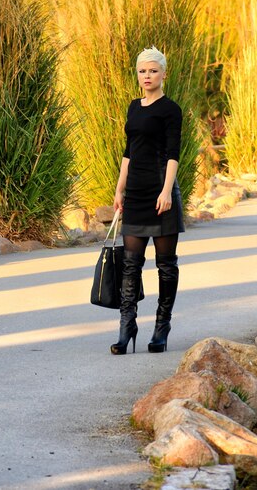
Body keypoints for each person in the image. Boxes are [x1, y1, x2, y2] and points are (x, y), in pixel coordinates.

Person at [111, 46, 184, 355]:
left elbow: (172, 153)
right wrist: (119, 189)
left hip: (161, 191)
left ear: (163, 74)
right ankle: (127, 327)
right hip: (137, 193)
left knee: (166, 266)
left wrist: (167, 191)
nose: (147, 75)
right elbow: (129, 151)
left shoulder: (171, 109)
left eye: (153, 70)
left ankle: (161, 327)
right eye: (142, 71)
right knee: (130, 265)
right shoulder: (133, 107)